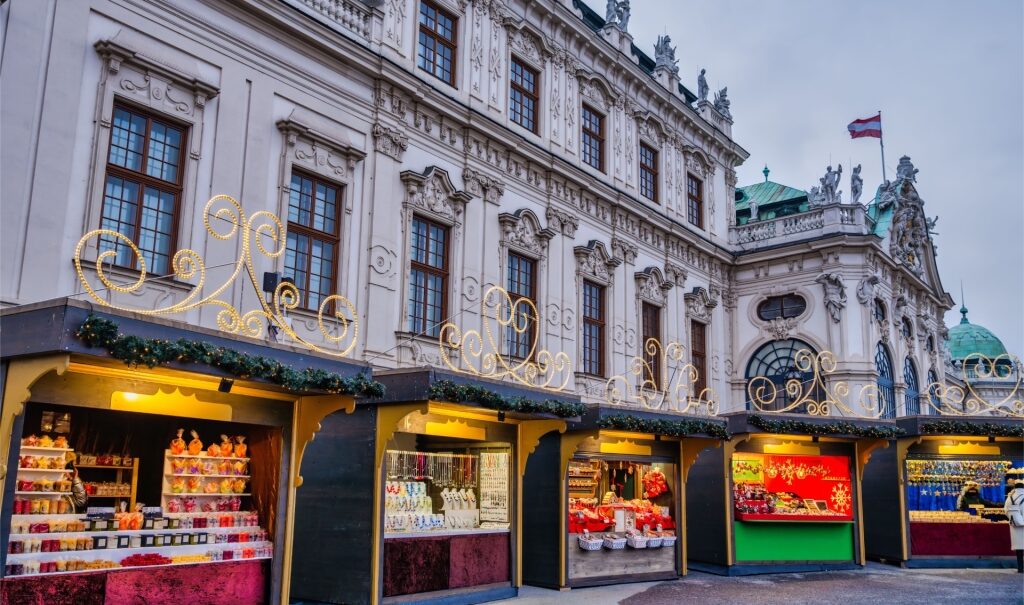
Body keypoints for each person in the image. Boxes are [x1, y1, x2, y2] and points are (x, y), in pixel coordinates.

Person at [1006, 480, 1024, 573]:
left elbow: (1006, 510)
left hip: (1015, 525)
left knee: (1019, 549)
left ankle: (1020, 568)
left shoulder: (1010, 497)